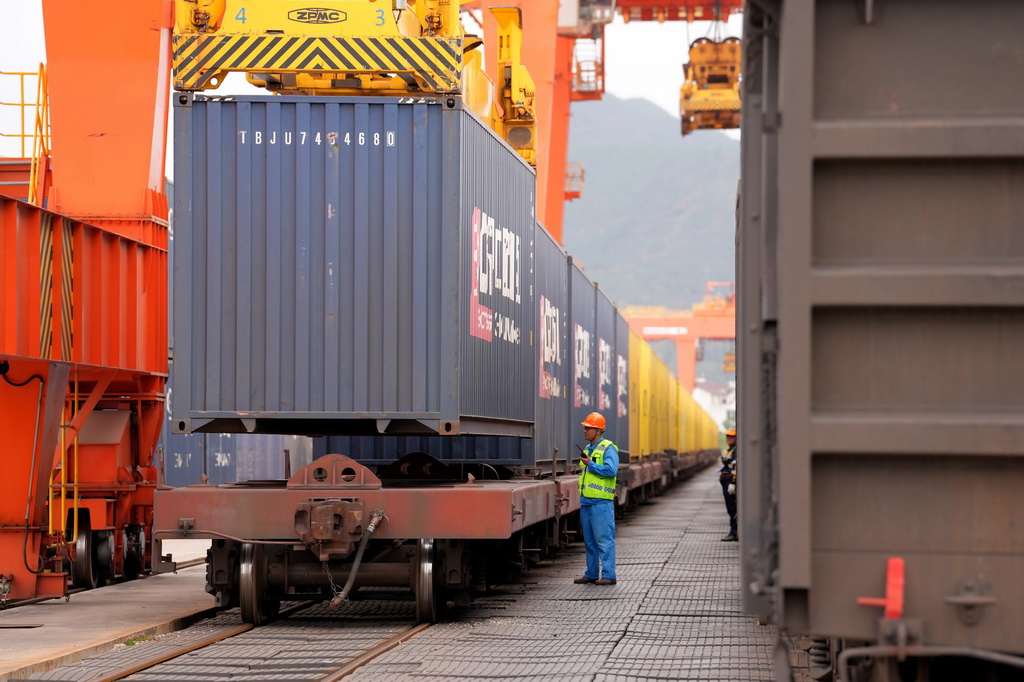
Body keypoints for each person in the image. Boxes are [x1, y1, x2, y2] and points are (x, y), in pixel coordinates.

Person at [573, 412, 619, 585]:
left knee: (604, 540)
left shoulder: (609, 448)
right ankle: (591, 573)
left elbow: (611, 470)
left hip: (601, 503)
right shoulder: (587, 450)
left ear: (598, 431)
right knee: (590, 541)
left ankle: (609, 575)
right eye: (585, 427)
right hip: (586, 501)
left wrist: (590, 465)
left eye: (588, 428)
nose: (585, 431)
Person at [719, 427, 738, 541]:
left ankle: (734, 532)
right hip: (726, 482)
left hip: (731, 483)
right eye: (727, 436)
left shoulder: (736, 451)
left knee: (733, 509)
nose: (728, 438)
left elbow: (736, 467)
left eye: (731, 436)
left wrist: (733, 482)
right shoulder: (730, 450)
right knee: (730, 509)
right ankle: (734, 532)